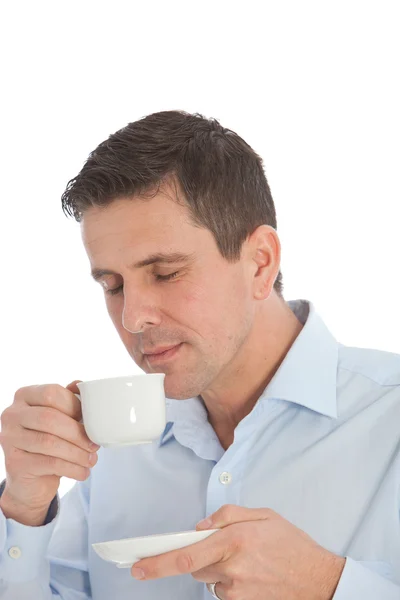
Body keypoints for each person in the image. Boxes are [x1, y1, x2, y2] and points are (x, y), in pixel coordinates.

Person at [0, 111, 399, 600]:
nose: (133, 318)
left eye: (166, 273)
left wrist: (328, 586)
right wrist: (25, 505)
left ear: (260, 262)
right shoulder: (113, 454)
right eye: (112, 285)